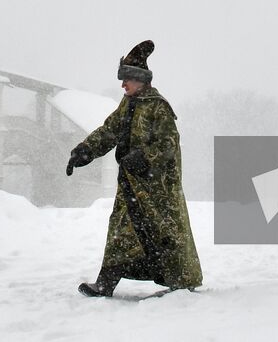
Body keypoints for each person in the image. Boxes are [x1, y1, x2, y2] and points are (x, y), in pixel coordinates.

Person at [66, 40, 203, 297]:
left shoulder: (158, 106)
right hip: (131, 184)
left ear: (140, 80)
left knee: (165, 234)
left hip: (156, 190)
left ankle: (182, 282)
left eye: (126, 79)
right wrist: (84, 151)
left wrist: (144, 158)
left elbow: (168, 143)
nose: (122, 84)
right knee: (121, 231)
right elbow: (110, 131)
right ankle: (106, 284)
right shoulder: (127, 104)